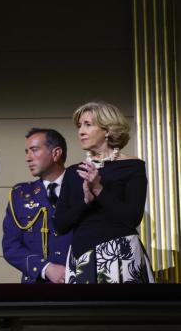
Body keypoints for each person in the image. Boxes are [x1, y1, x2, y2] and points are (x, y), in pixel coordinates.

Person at [54, 101, 153, 284]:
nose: (81, 131)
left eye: (88, 125)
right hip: (81, 256)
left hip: (120, 255)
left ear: (107, 130)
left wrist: (99, 189)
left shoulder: (132, 167)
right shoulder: (73, 172)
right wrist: (86, 201)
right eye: (79, 126)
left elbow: (132, 218)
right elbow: (60, 225)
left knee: (122, 312)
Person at [2, 128, 72, 283]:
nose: (28, 158)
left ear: (56, 153)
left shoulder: (83, 187)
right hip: (38, 287)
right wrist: (46, 268)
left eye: (34, 150)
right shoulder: (20, 195)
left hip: (80, 283)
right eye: (26, 152)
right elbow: (10, 247)